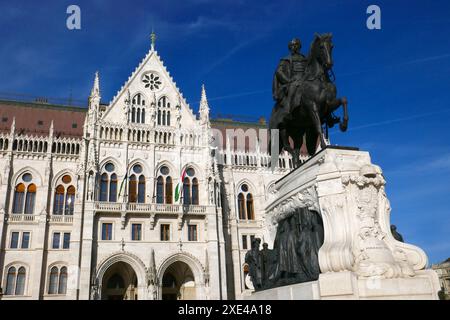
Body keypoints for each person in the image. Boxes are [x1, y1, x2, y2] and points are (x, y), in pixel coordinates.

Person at [272, 38, 308, 116]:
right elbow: (279, 71)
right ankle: (288, 108)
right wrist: (288, 80)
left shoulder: (306, 59)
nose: (294, 47)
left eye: (296, 45)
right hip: (292, 81)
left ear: (299, 46)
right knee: (293, 86)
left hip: (305, 80)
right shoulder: (285, 59)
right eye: (292, 45)